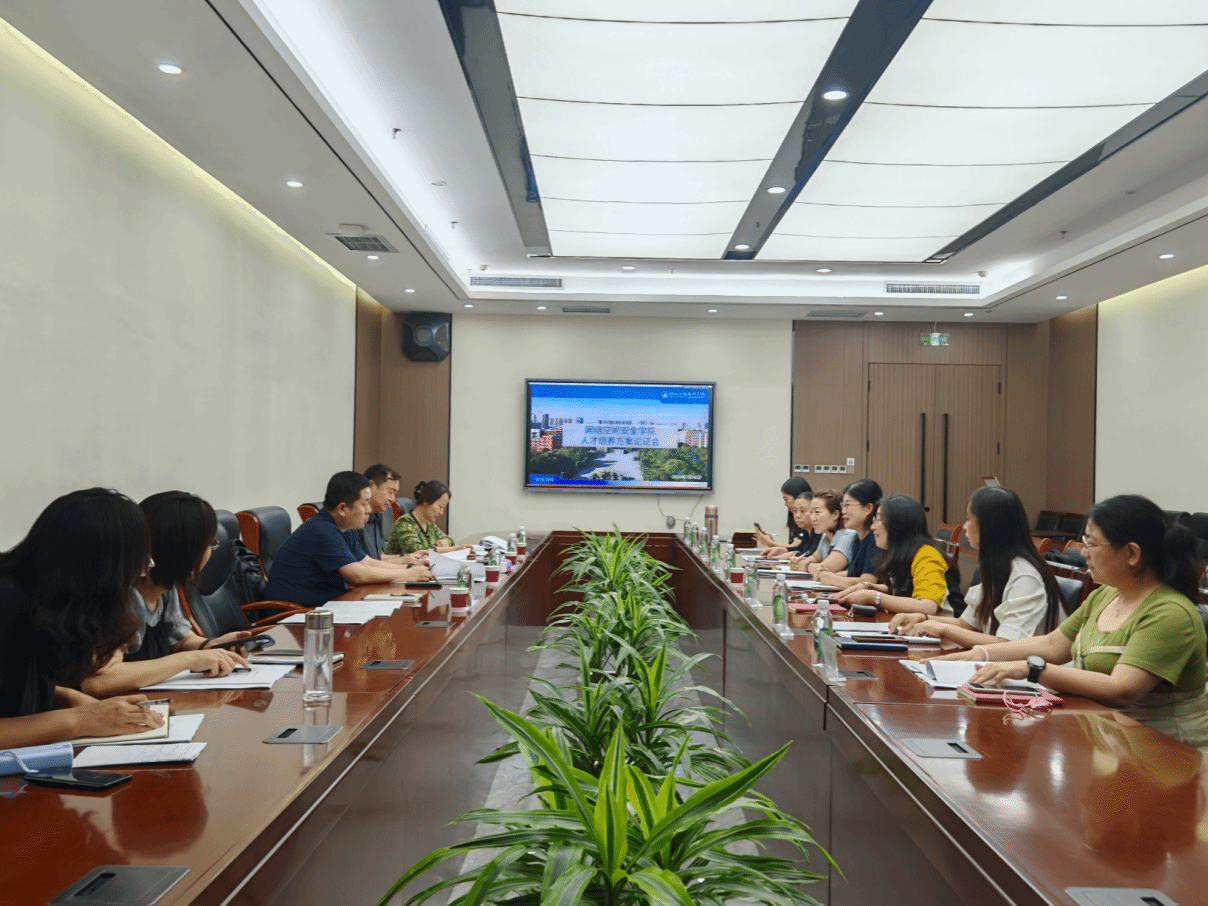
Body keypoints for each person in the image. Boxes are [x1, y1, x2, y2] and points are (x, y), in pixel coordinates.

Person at [935, 494, 1208, 749]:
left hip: (1163, 751)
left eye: (1091, 544)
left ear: (1131, 554)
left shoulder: (1170, 613)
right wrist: (982, 654)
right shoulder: (1106, 595)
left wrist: (1032, 670)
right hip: (1106, 734)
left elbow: (1121, 688)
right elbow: (1052, 645)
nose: (1084, 553)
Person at [0, 489, 165, 748]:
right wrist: (81, 720)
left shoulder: (44, 603)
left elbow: (12, 690)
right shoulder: (8, 602)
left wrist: (69, 699)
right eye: (136, 567)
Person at [83, 491, 253, 697]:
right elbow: (100, 680)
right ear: (186, 550)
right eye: (210, 544)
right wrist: (190, 660)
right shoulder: (121, 596)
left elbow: (179, 640)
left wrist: (211, 646)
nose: (210, 552)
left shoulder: (166, 587)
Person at [889, 486, 1062, 646]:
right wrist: (922, 618)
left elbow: (1006, 644)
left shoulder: (1025, 576)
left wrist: (944, 628)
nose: (964, 527)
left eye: (968, 519)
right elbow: (965, 624)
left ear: (988, 525)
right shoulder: (999, 567)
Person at [266, 472, 434, 607]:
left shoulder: (343, 527)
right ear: (342, 508)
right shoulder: (322, 530)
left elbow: (367, 562)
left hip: (327, 607)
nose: (369, 510)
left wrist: (409, 568)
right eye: (364, 503)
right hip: (297, 615)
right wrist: (408, 574)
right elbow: (358, 575)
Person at [832, 494, 961, 615]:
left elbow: (927, 606)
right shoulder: (900, 552)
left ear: (898, 525)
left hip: (943, 628)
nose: (872, 527)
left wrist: (873, 597)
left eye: (878, 520)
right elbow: (903, 591)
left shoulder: (927, 554)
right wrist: (867, 587)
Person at [817, 478, 883, 588]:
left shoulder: (875, 539)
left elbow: (867, 581)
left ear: (868, 508)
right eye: (843, 505)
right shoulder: (857, 538)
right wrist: (826, 574)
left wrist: (832, 578)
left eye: (848, 505)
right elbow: (853, 573)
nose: (843, 511)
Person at [385, 480, 472, 556]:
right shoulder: (405, 523)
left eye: (443, 508)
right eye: (440, 507)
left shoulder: (428, 523)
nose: (441, 513)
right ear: (426, 502)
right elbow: (420, 551)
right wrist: (455, 549)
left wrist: (446, 541)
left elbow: (450, 540)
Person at [790, 489, 857, 575]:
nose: (812, 518)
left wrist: (805, 565)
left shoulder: (848, 535)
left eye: (817, 512)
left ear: (835, 514)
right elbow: (815, 557)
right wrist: (798, 561)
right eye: (811, 512)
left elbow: (827, 568)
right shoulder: (826, 535)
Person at [359, 463, 404, 561]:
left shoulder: (377, 515)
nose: (393, 499)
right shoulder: (354, 519)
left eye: (395, 494)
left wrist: (409, 558)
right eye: (390, 492)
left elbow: (379, 556)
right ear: (371, 486)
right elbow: (364, 563)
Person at [753, 477, 812, 549]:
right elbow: (795, 549)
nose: (785, 504)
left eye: (786, 499)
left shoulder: (810, 526)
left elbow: (795, 548)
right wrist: (770, 541)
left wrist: (770, 543)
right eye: (795, 511)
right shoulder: (799, 523)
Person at [760, 495, 815, 560]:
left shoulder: (820, 534)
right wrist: (782, 550)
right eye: (795, 511)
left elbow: (809, 555)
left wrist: (789, 555)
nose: (797, 515)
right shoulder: (806, 532)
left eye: (802, 511)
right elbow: (799, 549)